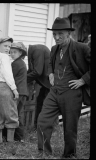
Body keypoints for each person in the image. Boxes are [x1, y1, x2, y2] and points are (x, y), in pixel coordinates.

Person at [36, 17, 90, 158]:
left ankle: (69, 154)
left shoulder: (81, 48)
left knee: (69, 127)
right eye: (54, 34)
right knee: (42, 121)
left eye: (60, 34)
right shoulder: (54, 49)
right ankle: (44, 153)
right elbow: (50, 63)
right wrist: (51, 73)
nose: (57, 37)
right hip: (54, 91)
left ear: (69, 33)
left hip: (72, 93)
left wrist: (83, 80)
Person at [0, 36, 19, 148]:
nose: (8, 48)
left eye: (9, 46)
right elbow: (7, 74)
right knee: (10, 111)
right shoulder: (4, 58)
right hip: (4, 86)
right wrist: (14, 89)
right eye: (5, 46)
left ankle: (0, 141)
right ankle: (10, 142)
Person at [26, 44, 51, 132]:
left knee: (47, 105)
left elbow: (37, 71)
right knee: (40, 102)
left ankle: (45, 128)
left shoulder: (37, 50)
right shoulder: (33, 51)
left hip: (51, 82)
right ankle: (38, 127)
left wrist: (22, 79)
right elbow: (31, 70)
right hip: (46, 83)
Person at [9, 42, 28, 142]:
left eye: (14, 52)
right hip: (23, 92)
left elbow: (10, 78)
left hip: (18, 92)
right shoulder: (21, 62)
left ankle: (17, 137)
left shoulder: (15, 63)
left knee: (15, 114)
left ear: (20, 53)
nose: (12, 54)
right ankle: (20, 137)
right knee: (19, 113)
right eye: (11, 52)